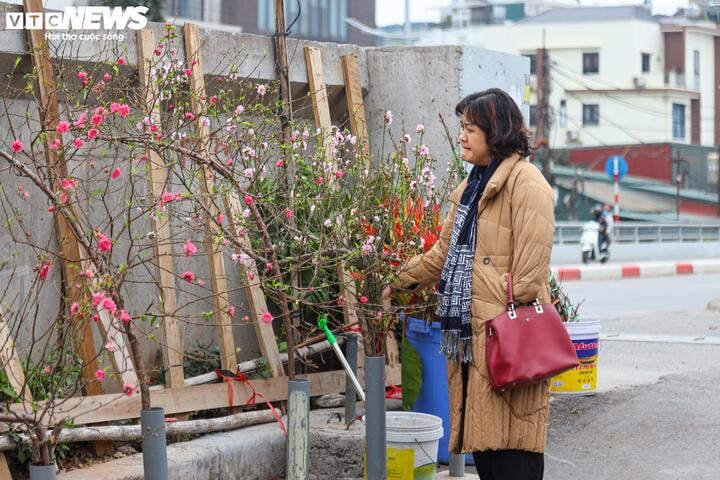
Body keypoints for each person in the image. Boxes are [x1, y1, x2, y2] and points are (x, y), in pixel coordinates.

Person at [383, 88, 555, 480]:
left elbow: (529, 280)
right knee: (491, 459)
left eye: (470, 129)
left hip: (511, 346)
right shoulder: (472, 188)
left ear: (496, 132)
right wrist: (395, 281)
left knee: (515, 458)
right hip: (477, 347)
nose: (461, 136)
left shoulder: (528, 186)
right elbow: (443, 256)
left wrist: (472, 281)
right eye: (462, 127)